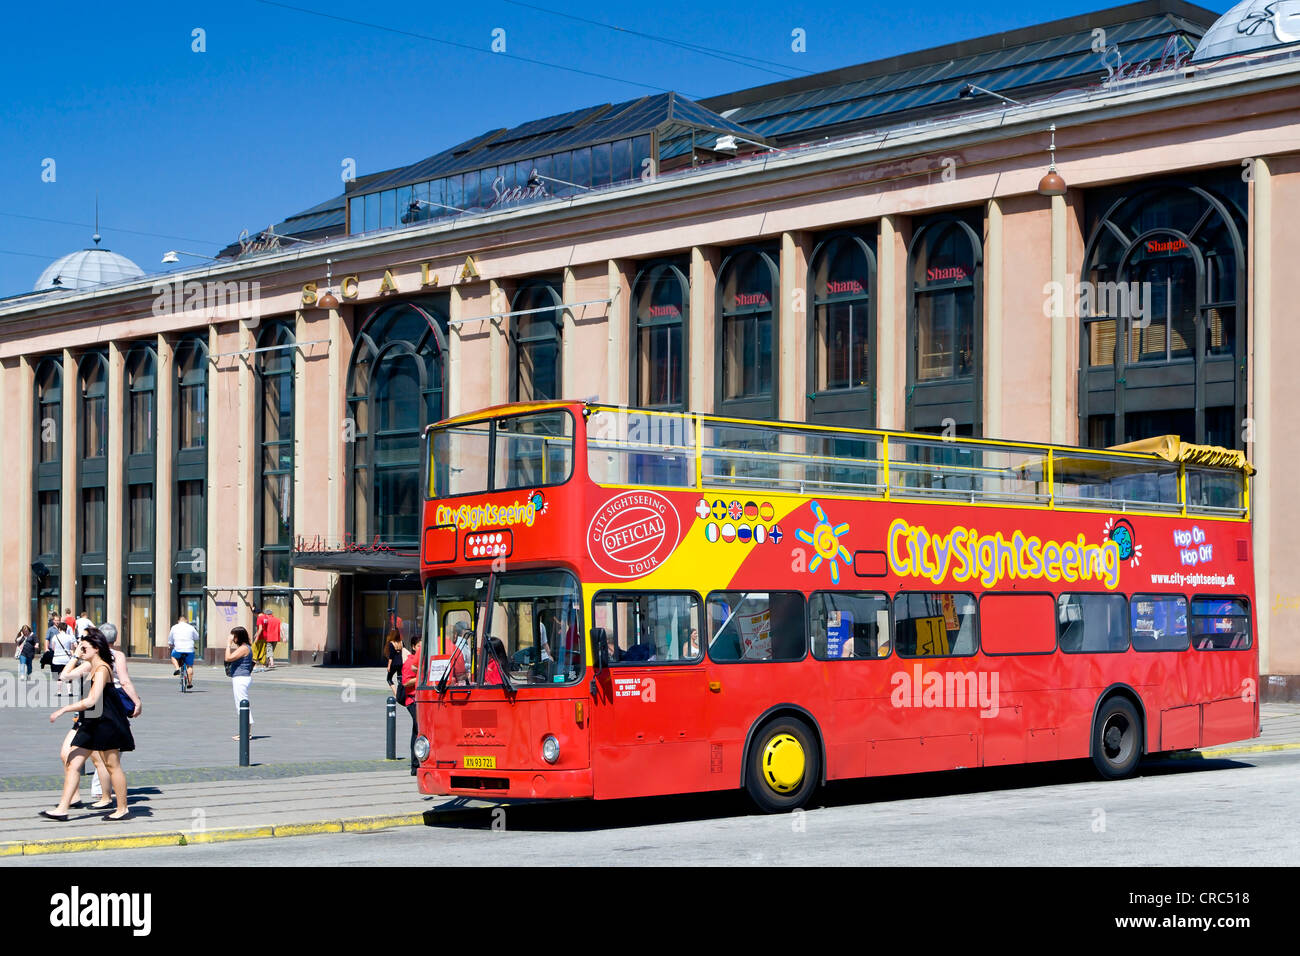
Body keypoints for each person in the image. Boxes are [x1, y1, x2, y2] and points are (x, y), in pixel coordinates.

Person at [41, 629, 134, 822]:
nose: (81, 649)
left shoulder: (102, 669)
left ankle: (122, 808)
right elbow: (65, 676)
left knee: (112, 765)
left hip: (106, 722)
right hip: (90, 722)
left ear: (97, 648)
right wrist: (75, 655)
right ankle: (62, 809)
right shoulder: (90, 665)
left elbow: (92, 700)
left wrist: (64, 709)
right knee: (73, 762)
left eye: (85, 647)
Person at [60, 623, 142, 806]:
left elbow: (122, 683)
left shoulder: (104, 663)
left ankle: (108, 799)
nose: (82, 644)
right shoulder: (92, 661)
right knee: (84, 758)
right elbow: (65, 676)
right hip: (90, 715)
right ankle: (78, 799)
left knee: (106, 761)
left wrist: (136, 702)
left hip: (102, 714)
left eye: (85, 642)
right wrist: (75, 656)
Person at [225, 626, 255, 739]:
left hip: (241, 678)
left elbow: (228, 658)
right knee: (241, 704)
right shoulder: (245, 647)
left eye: (234, 636)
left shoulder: (244, 648)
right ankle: (246, 732)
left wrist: (228, 644)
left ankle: (246, 733)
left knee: (242, 705)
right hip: (241, 678)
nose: (232, 638)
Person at [399, 635, 422, 775]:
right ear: (413, 647)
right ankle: (415, 765)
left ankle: (415, 765)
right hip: (412, 700)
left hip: (419, 700)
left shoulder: (422, 661)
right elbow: (406, 683)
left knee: (416, 731)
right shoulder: (409, 663)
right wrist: (420, 677)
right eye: (419, 646)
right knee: (419, 729)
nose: (421, 648)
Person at [168, 612, 199, 689]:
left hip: (178, 649)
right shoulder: (191, 627)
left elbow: (170, 639)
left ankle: (177, 669)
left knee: (173, 657)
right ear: (186, 620)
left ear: (179, 621)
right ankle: (189, 683)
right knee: (190, 666)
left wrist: (170, 644)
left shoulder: (174, 627)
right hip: (189, 649)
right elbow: (197, 637)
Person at [49, 620, 75, 697]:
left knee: (58, 676)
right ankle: (69, 691)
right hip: (67, 659)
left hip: (57, 659)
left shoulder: (55, 637)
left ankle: (59, 692)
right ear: (66, 629)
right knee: (68, 675)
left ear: (59, 629)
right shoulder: (70, 637)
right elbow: (71, 648)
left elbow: (53, 648)